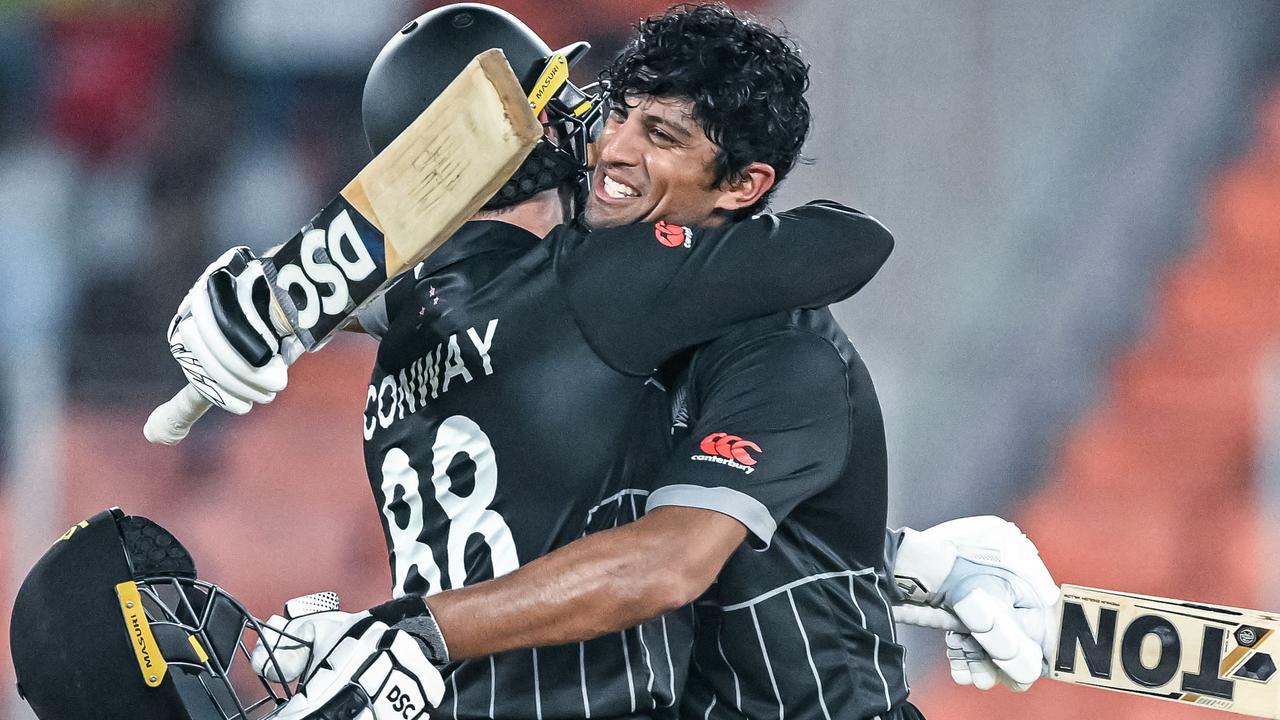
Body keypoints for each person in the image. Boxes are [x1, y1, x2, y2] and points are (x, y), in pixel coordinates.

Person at [167, 5, 1058, 719]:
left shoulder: (418, 326)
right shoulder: (602, 295)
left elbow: (651, 541)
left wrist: (289, 294)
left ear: (743, 183)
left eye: (659, 132)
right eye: (610, 114)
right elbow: (637, 532)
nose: (609, 145)